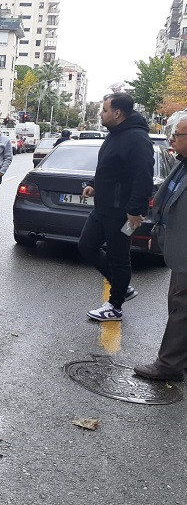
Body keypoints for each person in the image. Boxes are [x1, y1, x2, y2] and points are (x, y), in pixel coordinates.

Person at [79, 93, 154, 322]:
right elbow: (107, 168)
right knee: (86, 246)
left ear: (117, 113)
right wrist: (93, 185)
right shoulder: (114, 135)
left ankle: (115, 306)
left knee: (119, 257)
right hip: (103, 209)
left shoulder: (137, 139)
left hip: (123, 213)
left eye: (104, 110)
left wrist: (135, 211)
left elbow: (143, 177)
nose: (101, 114)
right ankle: (123, 287)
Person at [134, 118, 187, 381]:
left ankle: (168, 364)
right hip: (177, 248)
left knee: (181, 305)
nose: (171, 140)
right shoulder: (181, 164)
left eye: (176, 135)